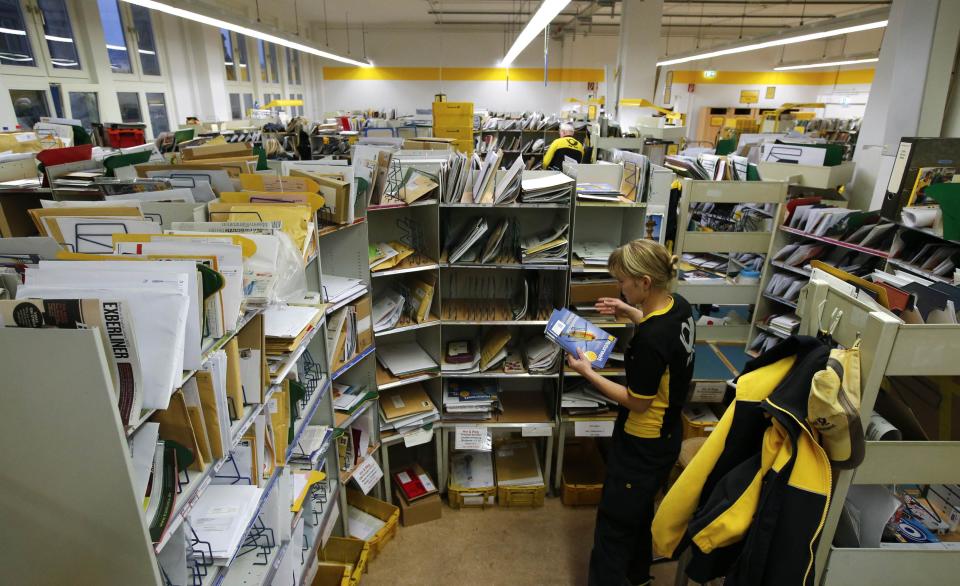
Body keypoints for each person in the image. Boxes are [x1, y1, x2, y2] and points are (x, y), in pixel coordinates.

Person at [566, 239, 696, 586]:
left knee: (614, 522)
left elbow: (637, 401)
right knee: (637, 513)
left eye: (623, 281)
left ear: (644, 282)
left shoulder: (650, 340)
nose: (619, 287)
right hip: (667, 435)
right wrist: (630, 312)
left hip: (643, 440)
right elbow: (661, 331)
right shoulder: (679, 307)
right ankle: (638, 576)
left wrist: (588, 373)